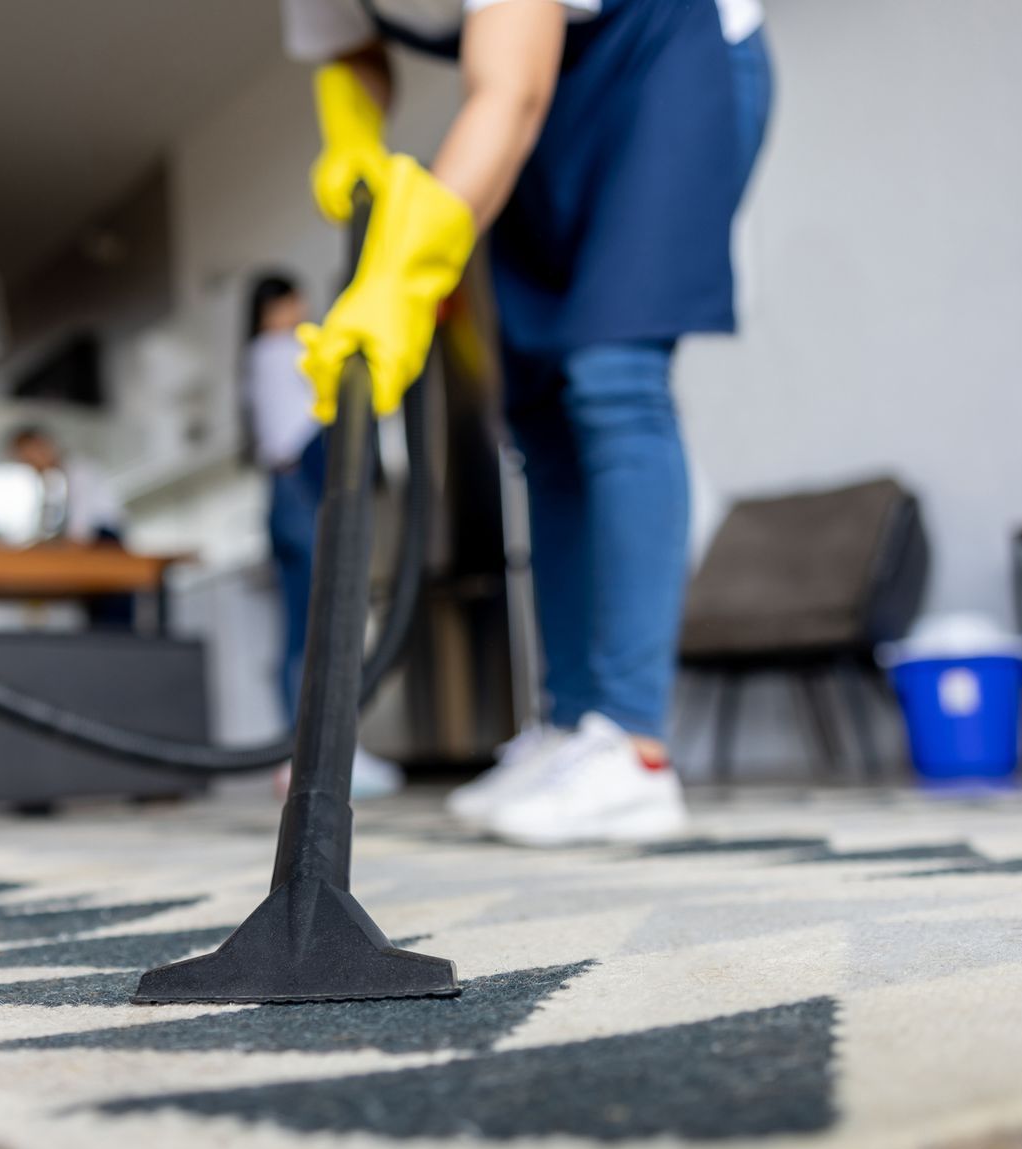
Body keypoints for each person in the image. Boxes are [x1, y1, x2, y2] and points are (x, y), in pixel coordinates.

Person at [283, 0, 772, 845]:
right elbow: (351, 45)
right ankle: (573, 726)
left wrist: (407, 276)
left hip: (664, 58)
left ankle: (633, 747)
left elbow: (509, 94)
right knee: (539, 419)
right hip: (542, 106)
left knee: (614, 378)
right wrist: (353, 133)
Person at [242, 271, 404, 800]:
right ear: (283, 303)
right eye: (299, 300)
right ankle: (332, 758)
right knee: (329, 624)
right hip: (306, 495)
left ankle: (298, 758)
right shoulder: (289, 349)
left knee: (297, 632)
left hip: (278, 497)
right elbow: (331, 411)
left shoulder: (253, 357)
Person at [8, 425, 135, 629]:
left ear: (42, 446)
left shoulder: (80, 472)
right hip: (95, 547)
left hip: (106, 546)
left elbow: (80, 535)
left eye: (29, 458)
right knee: (96, 617)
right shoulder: (59, 481)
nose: (31, 466)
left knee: (112, 620)